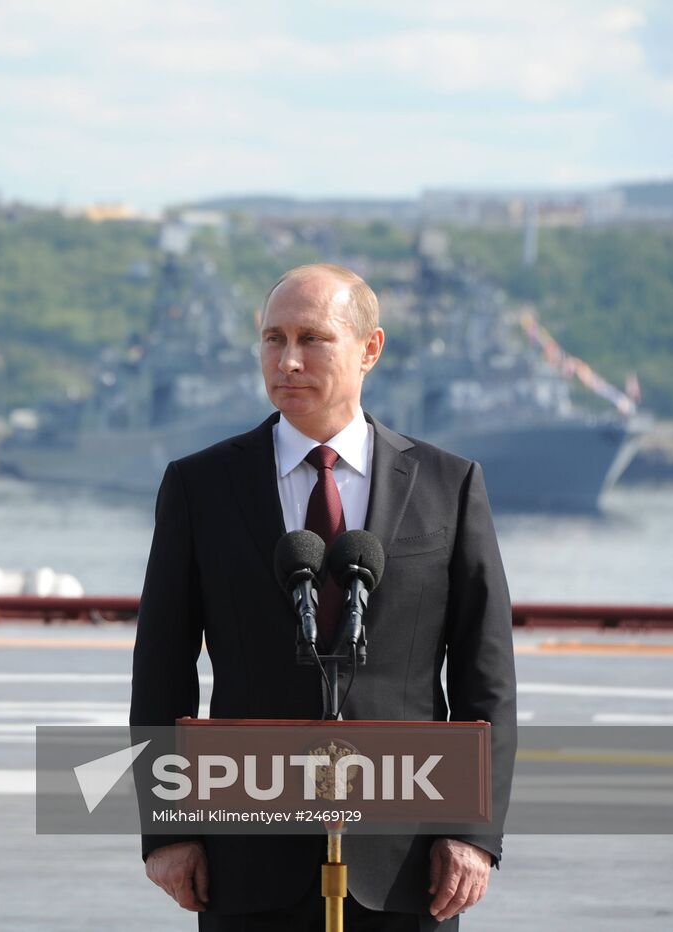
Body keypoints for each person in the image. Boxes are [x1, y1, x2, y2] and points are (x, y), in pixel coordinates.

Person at [129, 263, 516, 930]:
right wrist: (167, 830)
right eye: (273, 339)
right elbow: (162, 668)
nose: (288, 361)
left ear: (370, 349)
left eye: (312, 338)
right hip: (246, 857)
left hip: (410, 863)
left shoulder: (449, 486)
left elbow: (487, 676)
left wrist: (472, 832)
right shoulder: (200, 487)